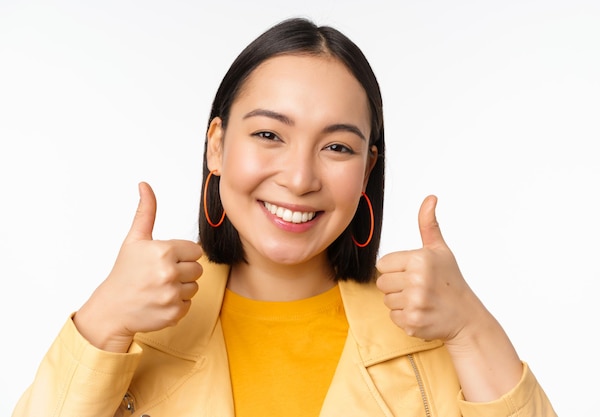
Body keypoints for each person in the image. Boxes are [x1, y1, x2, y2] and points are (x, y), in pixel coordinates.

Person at [12, 17, 556, 417]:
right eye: (269, 135)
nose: (299, 178)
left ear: (368, 168)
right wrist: (102, 319)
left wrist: (471, 326)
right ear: (217, 147)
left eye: (337, 147)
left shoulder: (429, 342)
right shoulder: (129, 334)